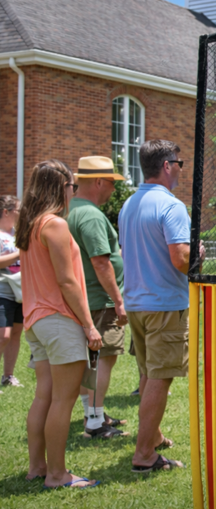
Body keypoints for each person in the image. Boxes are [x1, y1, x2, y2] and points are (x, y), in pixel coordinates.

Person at [16, 160, 102, 489]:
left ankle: (38, 467)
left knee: (44, 397)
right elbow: (68, 283)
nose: (73, 192)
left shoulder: (31, 223)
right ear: (61, 188)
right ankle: (57, 475)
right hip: (58, 318)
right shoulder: (55, 225)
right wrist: (89, 325)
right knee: (62, 401)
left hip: (36, 320)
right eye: (71, 187)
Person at [119, 139, 202, 472]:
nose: (181, 170)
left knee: (147, 373)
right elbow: (180, 258)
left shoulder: (129, 204)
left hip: (137, 302)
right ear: (167, 165)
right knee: (159, 379)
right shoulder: (172, 205)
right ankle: (144, 456)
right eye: (179, 164)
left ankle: (152, 436)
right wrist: (198, 256)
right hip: (165, 304)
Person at [68, 156, 129, 438]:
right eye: (112, 184)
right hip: (99, 300)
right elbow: (101, 262)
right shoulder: (91, 215)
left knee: (92, 359)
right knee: (104, 358)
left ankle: (92, 412)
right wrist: (118, 300)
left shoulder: (71, 209)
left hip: (84, 298)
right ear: (99, 182)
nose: (113, 191)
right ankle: (95, 422)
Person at [0, 195, 24, 392]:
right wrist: (20, 253)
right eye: (17, 209)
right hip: (2, 291)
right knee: (3, 335)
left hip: (20, 291)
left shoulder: (19, 234)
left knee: (16, 333)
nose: (20, 213)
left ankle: (8, 376)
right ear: (6, 211)